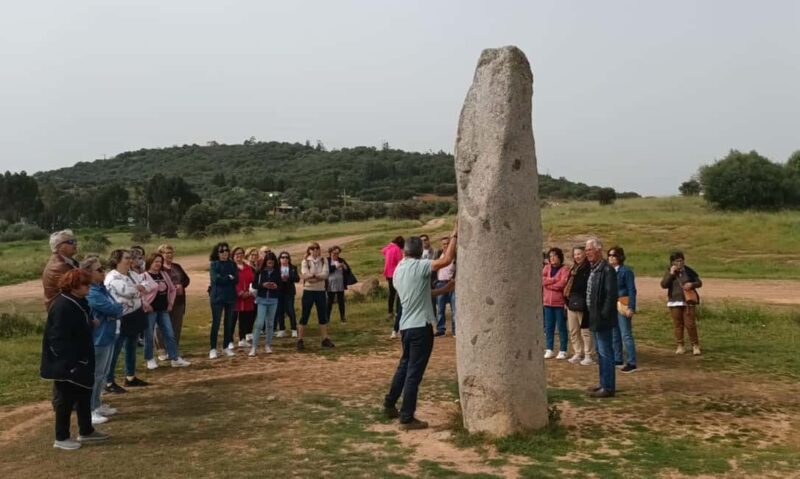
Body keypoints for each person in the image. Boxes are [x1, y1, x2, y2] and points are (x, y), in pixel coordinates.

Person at [383, 224, 457, 430]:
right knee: (414, 372)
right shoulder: (419, 266)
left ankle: (390, 403)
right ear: (420, 252)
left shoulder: (399, 269)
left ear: (405, 251)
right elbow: (446, 260)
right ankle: (406, 417)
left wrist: (444, 290)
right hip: (420, 327)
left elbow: (420, 294)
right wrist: (454, 237)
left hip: (406, 326)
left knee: (404, 366)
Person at [40, 269, 109, 450]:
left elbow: (80, 325)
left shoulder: (79, 301)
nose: (89, 287)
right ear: (73, 286)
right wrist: (69, 364)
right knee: (65, 400)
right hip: (67, 363)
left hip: (82, 357)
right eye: (85, 284)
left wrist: (89, 324)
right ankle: (61, 438)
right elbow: (57, 338)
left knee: (84, 393)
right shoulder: (63, 305)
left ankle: (86, 430)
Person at [81, 257, 122, 426]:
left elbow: (117, 308)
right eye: (99, 270)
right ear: (89, 273)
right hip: (98, 337)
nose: (103, 272)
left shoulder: (102, 289)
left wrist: (115, 309)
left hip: (109, 334)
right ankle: (89, 410)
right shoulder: (92, 292)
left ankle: (97, 404)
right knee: (95, 374)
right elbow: (112, 308)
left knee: (103, 373)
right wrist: (115, 309)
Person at [105, 249, 151, 391]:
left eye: (131, 258)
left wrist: (139, 288)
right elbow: (128, 291)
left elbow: (148, 284)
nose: (130, 260)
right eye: (126, 258)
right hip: (121, 318)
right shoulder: (112, 277)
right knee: (116, 350)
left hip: (135, 314)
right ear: (117, 260)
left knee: (131, 346)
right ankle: (109, 381)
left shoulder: (132, 274)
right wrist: (139, 289)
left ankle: (130, 377)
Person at [142, 253, 191, 369]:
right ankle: (149, 359)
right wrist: (146, 304)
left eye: (160, 262)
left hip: (163, 309)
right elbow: (140, 293)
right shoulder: (144, 276)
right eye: (155, 262)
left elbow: (172, 289)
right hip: (151, 311)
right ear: (150, 263)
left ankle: (174, 358)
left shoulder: (163, 274)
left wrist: (170, 303)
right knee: (149, 335)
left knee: (169, 333)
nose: (158, 264)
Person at [584, 238, 618, 399]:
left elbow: (611, 295)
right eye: (586, 250)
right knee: (600, 352)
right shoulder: (594, 269)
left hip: (602, 318)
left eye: (589, 250)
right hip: (595, 316)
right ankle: (603, 383)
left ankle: (608, 387)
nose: (587, 253)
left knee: (605, 352)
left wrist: (603, 315)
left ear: (598, 250)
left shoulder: (607, 270)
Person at [661, 251, 703, 356]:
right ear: (672, 263)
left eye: (681, 260)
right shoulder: (669, 272)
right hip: (675, 300)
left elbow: (699, 282)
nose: (680, 263)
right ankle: (680, 345)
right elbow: (664, 285)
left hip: (688, 300)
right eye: (677, 261)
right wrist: (671, 274)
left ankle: (695, 345)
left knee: (690, 324)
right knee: (678, 324)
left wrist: (691, 284)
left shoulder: (688, 271)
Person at [297, 242, 333, 351]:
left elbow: (326, 274)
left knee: (322, 316)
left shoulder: (324, 260)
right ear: (309, 250)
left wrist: (313, 276)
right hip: (308, 291)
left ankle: (325, 339)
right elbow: (305, 275)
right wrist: (317, 277)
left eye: (317, 248)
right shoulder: (305, 261)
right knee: (305, 315)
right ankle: (300, 340)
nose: (315, 250)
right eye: (313, 248)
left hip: (320, 291)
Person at [155, 244, 190, 356]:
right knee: (161, 326)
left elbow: (186, 279)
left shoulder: (177, 266)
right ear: (161, 255)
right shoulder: (159, 269)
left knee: (176, 326)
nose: (169, 255)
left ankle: (173, 349)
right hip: (164, 301)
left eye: (171, 253)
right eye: (166, 253)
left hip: (179, 301)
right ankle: (161, 349)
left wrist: (181, 285)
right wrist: (171, 288)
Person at [608, 246, 638, 373]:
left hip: (623, 303)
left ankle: (631, 361)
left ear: (619, 257)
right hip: (612, 304)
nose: (610, 258)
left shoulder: (626, 271)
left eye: (613, 255)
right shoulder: (609, 271)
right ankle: (617, 358)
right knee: (615, 334)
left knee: (626, 334)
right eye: (609, 255)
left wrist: (631, 306)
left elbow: (632, 290)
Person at [564, 246, 595, 366]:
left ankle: (588, 354)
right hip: (571, 302)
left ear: (584, 255)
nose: (577, 256)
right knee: (573, 330)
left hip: (584, 304)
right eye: (575, 254)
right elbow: (568, 285)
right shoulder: (573, 269)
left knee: (585, 331)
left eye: (579, 254)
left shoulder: (588, 268)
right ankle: (577, 352)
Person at [209, 242, 238, 359]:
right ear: (217, 253)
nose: (224, 253)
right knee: (216, 323)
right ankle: (213, 348)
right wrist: (228, 278)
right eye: (221, 251)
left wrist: (227, 278)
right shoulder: (214, 264)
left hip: (230, 296)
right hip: (217, 297)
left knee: (229, 323)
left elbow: (236, 279)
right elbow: (216, 279)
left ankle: (226, 346)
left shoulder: (232, 264)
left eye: (226, 250)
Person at [251, 252, 282, 356]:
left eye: (272, 263)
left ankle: (268, 345)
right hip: (262, 299)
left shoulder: (277, 272)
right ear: (265, 262)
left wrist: (275, 286)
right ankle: (254, 347)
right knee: (259, 323)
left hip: (273, 299)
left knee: (270, 323)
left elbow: (281, 286)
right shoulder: (259, 272)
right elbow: (254, 285)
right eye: (268, 263)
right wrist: (263, 285)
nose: (270, 265)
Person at [543, 247, 570, 359]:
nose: (552, 258)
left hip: (559, 303)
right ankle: (549, 348)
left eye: (555, 255)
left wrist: (549, 283)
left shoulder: (565, 269)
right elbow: (542, 280)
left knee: (561, 327)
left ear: (560, 257)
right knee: (549, 327)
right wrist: (554, 280)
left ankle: (563, 349)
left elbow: (562, 285)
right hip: (547, 303)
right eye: (550, 256)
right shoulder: (546, 268)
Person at [42, 229, 79, 310]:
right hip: (62, 312)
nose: (75, 244)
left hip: (68, 307)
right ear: (59, 247)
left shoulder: (67, 261)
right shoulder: (57, 266)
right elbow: (79, 285)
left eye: (75, 241)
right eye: (70, 242)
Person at [231, 246, 256, 349]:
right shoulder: (231, 268)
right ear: (233, 256)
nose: (239, 255)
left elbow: (253, 281)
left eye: (241, 253)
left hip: (247, 297)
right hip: (234, 298)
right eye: (237, 254)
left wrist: (250, 291)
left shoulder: (248, 267)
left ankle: (242, 339)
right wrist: (240, 292)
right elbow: (232, 282)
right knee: (232, 320)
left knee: (245, 319)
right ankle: (229, 341)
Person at [382, 236, 405, 336]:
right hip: (395, 274)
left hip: (387, 273)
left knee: (391, 293)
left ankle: (390, 311)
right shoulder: (397, 250)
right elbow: (400, 261)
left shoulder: (389, 247)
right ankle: (396, 311)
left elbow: (383, 251)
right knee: (398, 293)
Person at [434, 236, 456, 337]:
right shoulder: (438, 255)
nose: (446, 245)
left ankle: (455, 330)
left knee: (454, 309)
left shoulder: (456, 256)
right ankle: (440, 330)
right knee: (440, 309)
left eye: (447, 243)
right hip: (440, 283)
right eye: (444, 244)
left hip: (452, 284)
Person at [275, 251, 300, 338]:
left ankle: (294, 329)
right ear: (280, 259)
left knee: (290, 310)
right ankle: (282, 329)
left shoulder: (293, 267)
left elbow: (297, 279)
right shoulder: (277, 268)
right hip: (279, 292)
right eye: (283, 257)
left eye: (286, 257)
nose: (285, 259)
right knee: (280, 310)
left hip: (289, 292)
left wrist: (288, 277)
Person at [326, 246, 353, 324]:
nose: (336, 255)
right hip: (330, 284)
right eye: (334, 253)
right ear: (330, 253)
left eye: (337, 253)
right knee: (329, 302)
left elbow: (348, 270)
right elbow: (327, 270)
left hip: (340, 283)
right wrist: (336, 266)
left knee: (341, 301)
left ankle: (342, 318)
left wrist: (344, 267)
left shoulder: (341, 260)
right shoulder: (327, 260)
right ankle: (327, 318)